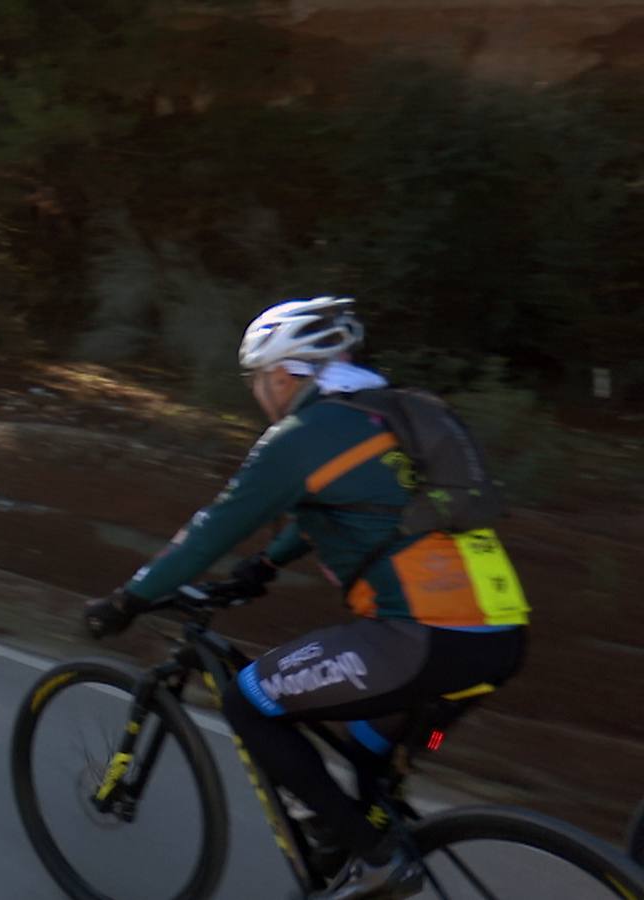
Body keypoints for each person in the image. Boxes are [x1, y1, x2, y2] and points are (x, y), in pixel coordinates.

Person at [83, 297, 530, 900]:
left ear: (285, 374)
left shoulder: (301, 435)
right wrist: (263, 566)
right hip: (495, 645)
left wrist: (128, 600)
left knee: (249, 701)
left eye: (258, 380)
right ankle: (365, 828)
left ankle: (373, 859)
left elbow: (211, 529)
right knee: (376, 748)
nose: (258, 393)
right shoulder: (381, 416)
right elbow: (361, 512)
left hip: (420, 641)